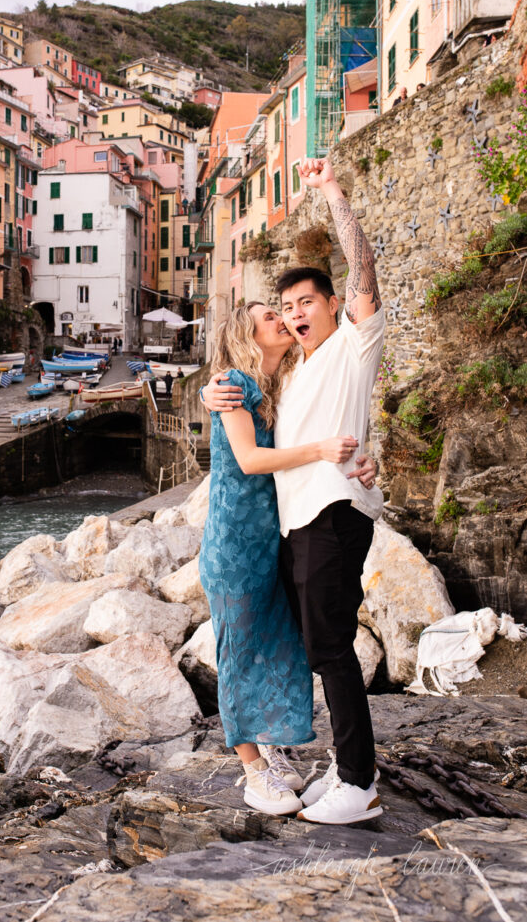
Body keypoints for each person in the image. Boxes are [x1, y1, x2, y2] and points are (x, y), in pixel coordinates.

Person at [204, 156, 386, 826]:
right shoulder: (289, 376)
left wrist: (332, 191)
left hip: (330, 516)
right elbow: (246, 432)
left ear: (333, 304)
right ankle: (341, 765)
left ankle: (358, 783)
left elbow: (362, 265)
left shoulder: (350, 345)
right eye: (283, 309)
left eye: (304, 302)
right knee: (317, 647)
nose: (293, 314)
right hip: (294, 523)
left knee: (329, 648)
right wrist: (208, 391)